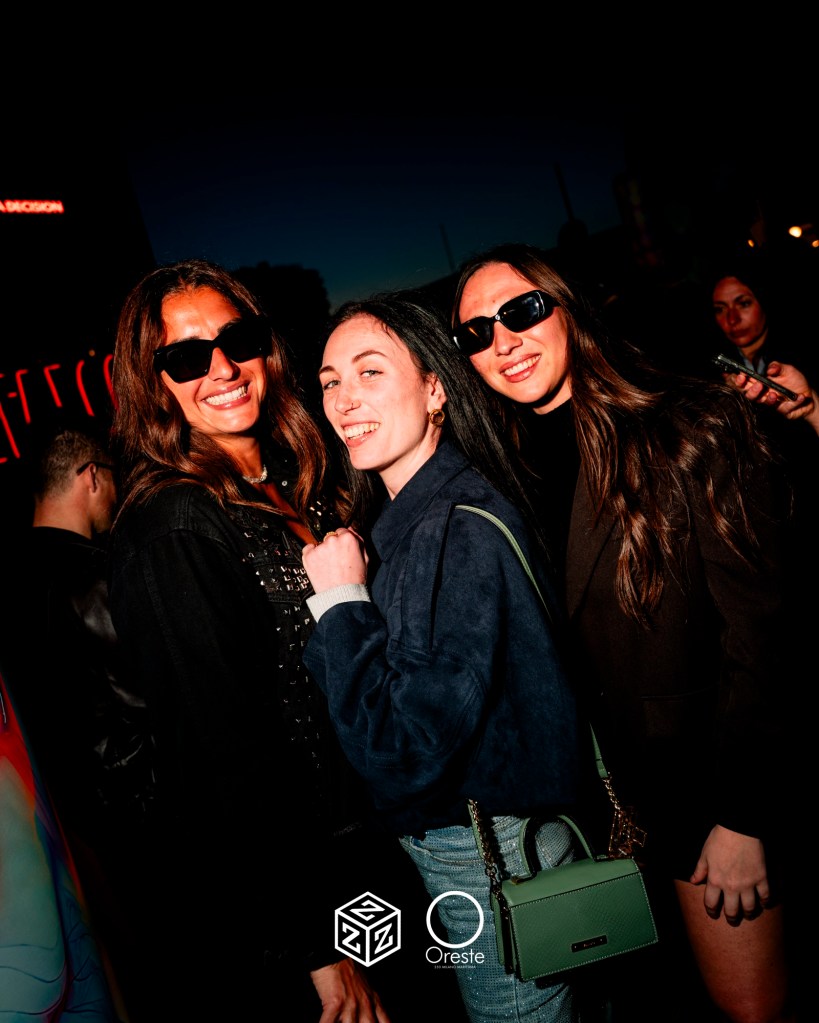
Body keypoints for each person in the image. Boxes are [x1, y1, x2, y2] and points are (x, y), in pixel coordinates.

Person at [451, 243, 799, 1023]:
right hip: (611, 811)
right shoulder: (504, 472)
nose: (502, 340)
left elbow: (766, 636)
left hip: (709, 792)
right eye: (475, 332)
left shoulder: (691, 426)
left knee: (750, 1004)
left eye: (521, 311)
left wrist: (741, 816)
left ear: (569, 308)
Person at [106, 258, 411, 1022]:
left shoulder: (301, 478)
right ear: (154, 383)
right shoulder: (175, 526)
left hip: (384, 843)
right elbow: (221, 759)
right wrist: (319, 947)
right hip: (314, 887)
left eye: (236, 339)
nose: (222, 368)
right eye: (186, 357)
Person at [299, 293, 581, 1023]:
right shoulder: (408, 521)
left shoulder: (454, 528)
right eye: (330, 381)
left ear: (434, 390)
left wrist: (340, 602)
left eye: (369, 371)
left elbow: (404, 750)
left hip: (489, 857)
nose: (343, 399)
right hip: (475, 850)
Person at [1, 419, 156, 1021]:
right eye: (112, 478)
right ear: (92, 476)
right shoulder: (95, 573)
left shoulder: (9, 583)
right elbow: (146, 704)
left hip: (67, 839)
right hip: (145, 819)